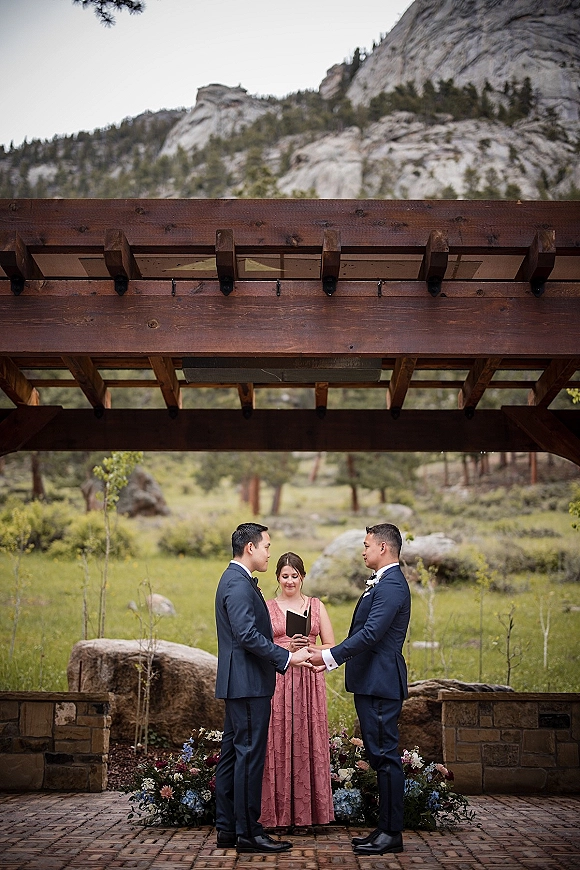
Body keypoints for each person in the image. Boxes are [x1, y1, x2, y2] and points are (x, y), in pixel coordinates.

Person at [308, 523, 410, 856]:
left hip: (381, 682)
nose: (363, 550)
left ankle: (392, 833)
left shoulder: (392, 585)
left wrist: (328, 655)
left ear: (383, 548)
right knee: (379, 754)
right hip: (370, 680)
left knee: (385, 756)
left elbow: (371, 634)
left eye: (367, 545)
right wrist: (329, 658)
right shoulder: (382, 583)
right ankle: (384, 829)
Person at [214, 522, 312, 855]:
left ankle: (227, 828)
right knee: (249, 758)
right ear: (250, 548)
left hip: (239, 682)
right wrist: (286, 657)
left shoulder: (234, 579)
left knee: (232, 756)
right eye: (267, 546)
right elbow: (246, 635)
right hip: (248, 684)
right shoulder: (239, 584)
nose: (269, 551)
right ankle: (249, 833)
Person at [261, 552, 335, 828]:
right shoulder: (268, 608)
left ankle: (309, 816)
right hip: (279, 679)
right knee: (278, 740)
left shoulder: (316, 606)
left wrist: (310, 648)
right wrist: (286, 648)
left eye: (295, 576)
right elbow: (262, 646)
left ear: (302, 577)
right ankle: (277, 814)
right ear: (278, 578)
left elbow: (331, 644)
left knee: (307, 739)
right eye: (284, 576)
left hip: (309, 681)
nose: (290, 581)